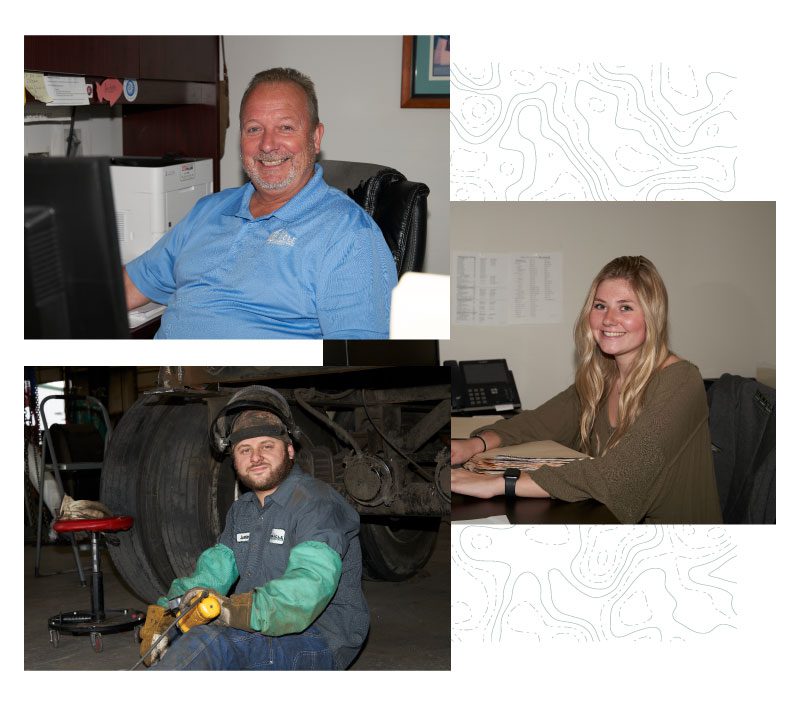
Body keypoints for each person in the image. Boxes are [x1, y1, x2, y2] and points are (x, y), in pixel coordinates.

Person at [124, 67, 397, 339]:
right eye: (254, 129)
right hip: (162, 376)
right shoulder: (208, 210)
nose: (267, 145)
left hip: (251, 382)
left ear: (315, 138)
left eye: (285, 127)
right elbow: (130, 286)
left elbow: (359, 363)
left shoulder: (349, 235)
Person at [451, 255, 722, 524]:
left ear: (652, 315)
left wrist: (498, 484)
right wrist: (475, 444)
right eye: (600, 305)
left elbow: (619, 475)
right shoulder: (603, 375)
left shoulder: (681, 381)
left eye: (625, 308)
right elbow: (541, 421)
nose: (608, 319)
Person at [138, 386, 369, 669]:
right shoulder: (242, 510)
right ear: (234, 461)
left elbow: (310, 584)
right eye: (245, 450)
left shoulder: (317, 503)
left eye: (267, 446)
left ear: (290, 449)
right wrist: (167, 611)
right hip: (256, 628)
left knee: (209, 646)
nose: (255, 457)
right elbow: (215, 571)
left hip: (318, 637)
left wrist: (235, 610)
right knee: (185, 638)